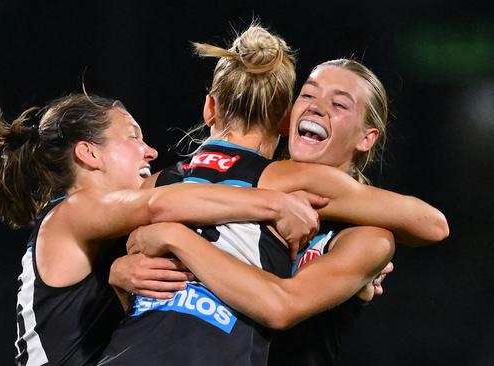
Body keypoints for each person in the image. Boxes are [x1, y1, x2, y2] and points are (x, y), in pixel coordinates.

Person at [101, 25, 448, 366]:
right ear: (286, 116)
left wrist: (173, 237)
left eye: (339, 104)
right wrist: (118, 272)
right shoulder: (257, 184)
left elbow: (433, 224)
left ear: (366, 138)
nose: (316, 107)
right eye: (308, 94)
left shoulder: (365, 237)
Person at [0, 62, 333, 366]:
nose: (150, 151)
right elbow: (162, 203)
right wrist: (274, 203)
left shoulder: (109, 239)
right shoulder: (71, 213)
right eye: (133, 137)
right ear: (89, 154)